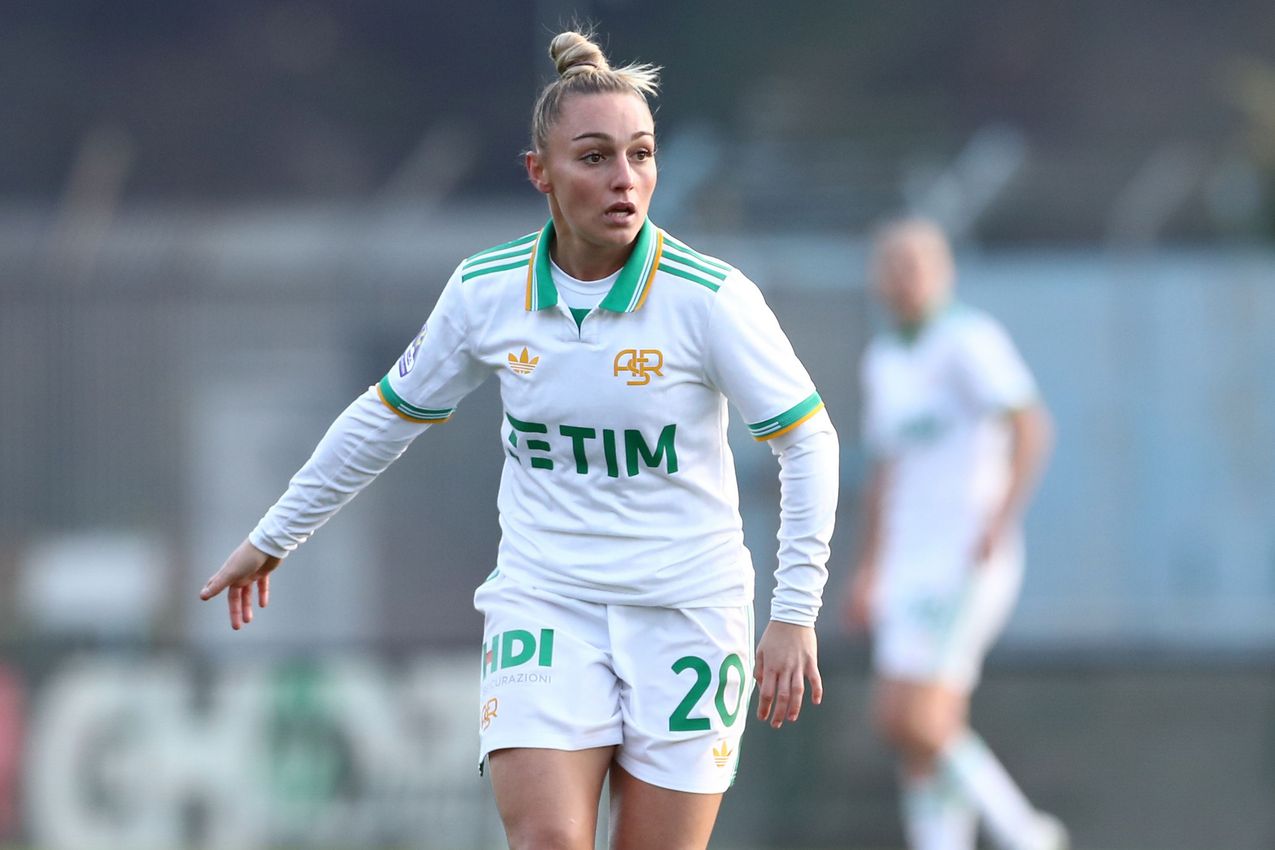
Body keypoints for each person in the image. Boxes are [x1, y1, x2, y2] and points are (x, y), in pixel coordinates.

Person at [200, 29, 839, 850]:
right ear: (540, 173)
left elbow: (808, 441)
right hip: (546, 604)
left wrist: (793, 613)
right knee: (548, 841)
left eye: (640, 155)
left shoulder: (710, 300)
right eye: (595, 156)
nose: (624, 179)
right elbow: (386, 414)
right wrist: (275, 533)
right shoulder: (484, 292)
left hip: (686, 614)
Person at [843, 219, 1065, 850]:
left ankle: (1023, 832)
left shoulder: (969, 339)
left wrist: (1000, 518)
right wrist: (867, 568)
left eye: (915, 264)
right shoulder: (883, 359)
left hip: (961, 559)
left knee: (909, 715)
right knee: (919, 734)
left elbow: (1031, 426)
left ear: (943, 272)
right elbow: (885, 473)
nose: (902, 278)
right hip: (905, 565)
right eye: (891, 265)